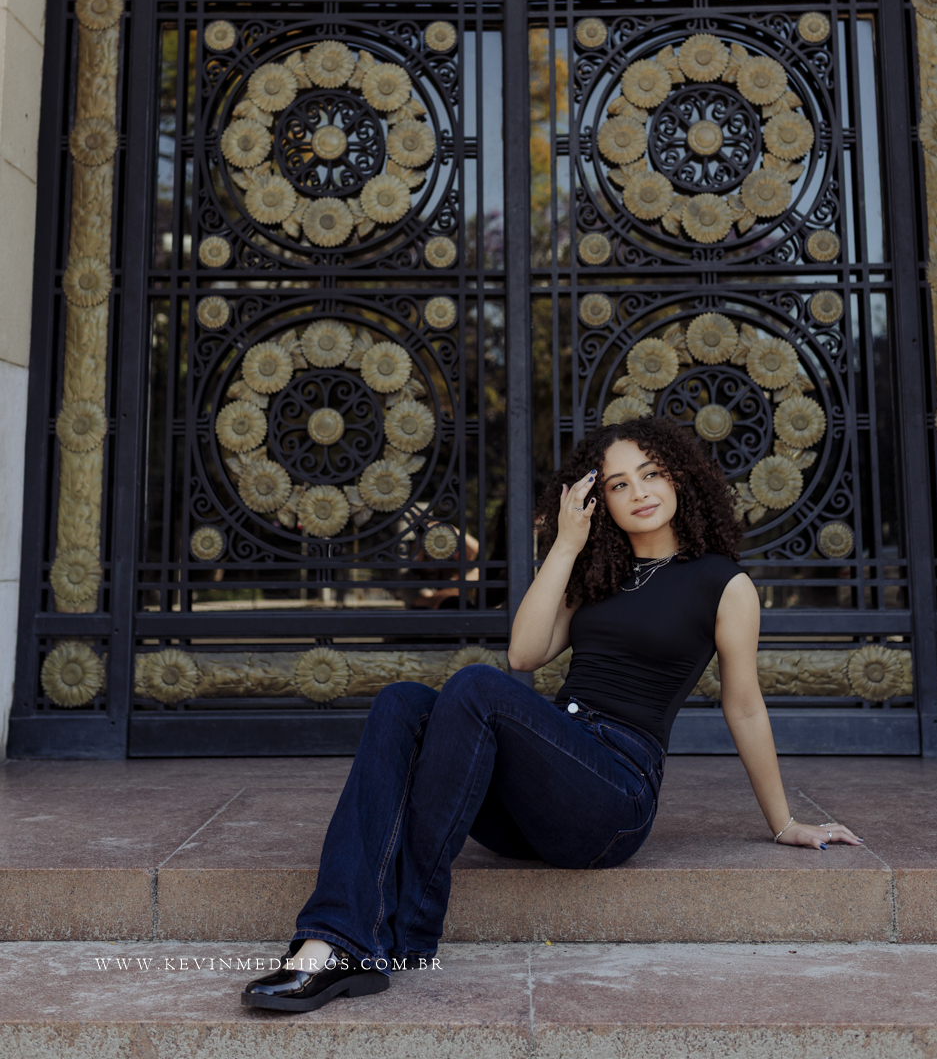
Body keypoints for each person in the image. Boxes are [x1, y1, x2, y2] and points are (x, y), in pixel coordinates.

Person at [242, 415, 861, 1013]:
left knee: (478, 688)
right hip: (545, 774)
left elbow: (744, 704)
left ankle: (407, 931)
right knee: (401, 702)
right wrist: (566, 544)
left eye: (651, 474)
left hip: (613, 794)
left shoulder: (724, 584)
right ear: (600, 501)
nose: (639, 492)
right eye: (619, 485)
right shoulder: (599, 569)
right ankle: (331, 942)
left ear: (680, 478)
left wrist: (783, 822)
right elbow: (525, 652)